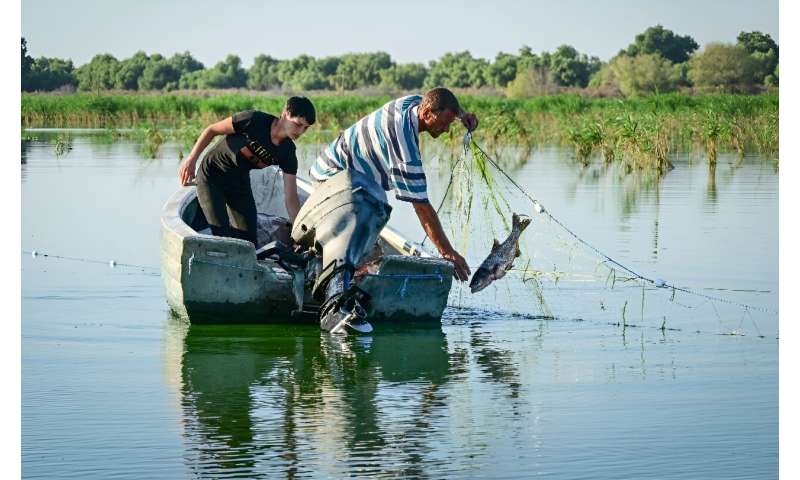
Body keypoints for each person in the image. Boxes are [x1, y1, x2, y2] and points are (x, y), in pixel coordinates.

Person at [309, 87, 477, 282]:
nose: (446, 129)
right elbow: (422, 207)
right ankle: (338, 276)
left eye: (450, 123)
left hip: (351, 178)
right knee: (362, 241)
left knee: (374, 219)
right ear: (426, 113)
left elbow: (440, 100)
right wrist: (448, 253)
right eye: (444, 123)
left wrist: (462, 115)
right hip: (331, 179)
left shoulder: (413, 102)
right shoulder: (404, 146)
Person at [177, 97, 316, 245]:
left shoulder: (287, 152)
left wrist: (298, 234)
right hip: (212, 176)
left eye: (305, 128)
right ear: (286, 113)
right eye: (298, 124)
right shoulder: (254, 120)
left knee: (250, 242)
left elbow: (291, 198)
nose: (301, 131)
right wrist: (191, 160)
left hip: (239, 183)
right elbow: (211, 130)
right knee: (222, 236)